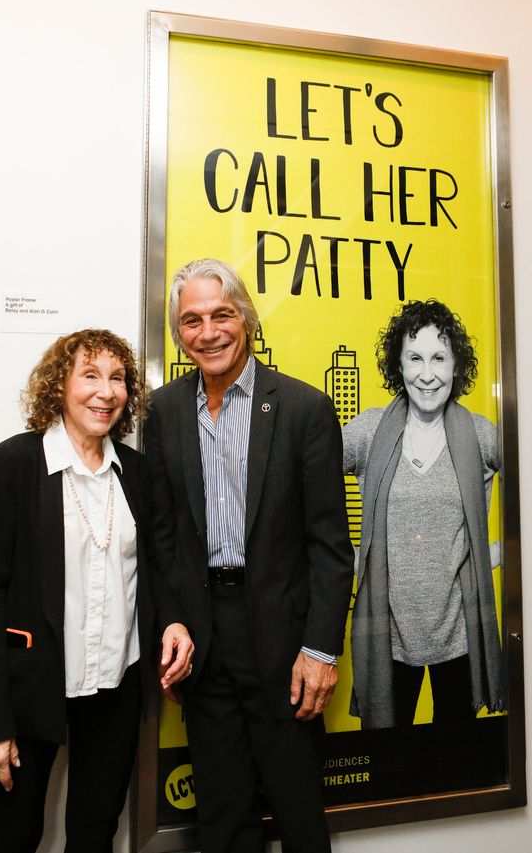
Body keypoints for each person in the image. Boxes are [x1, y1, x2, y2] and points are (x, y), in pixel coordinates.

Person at [144, 258, 354, 853]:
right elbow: (162, 537)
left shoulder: (303, 409)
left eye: (221, 315)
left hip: (285, 642)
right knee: (223, 816)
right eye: (191, 320)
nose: (207, 332)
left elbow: (330, 545)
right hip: (203, 642)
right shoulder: (162, 413)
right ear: (178, 333)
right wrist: (173, 622)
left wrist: (319, 649)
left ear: (248, 320)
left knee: (298, 813)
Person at [0, 328, 193, 853]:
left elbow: (156, 565)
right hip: (32, 686)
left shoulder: (136, 471)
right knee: (14, 836)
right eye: (89, 375)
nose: (105, 392)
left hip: (116, 686)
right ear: (58, 387)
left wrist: (174, 621)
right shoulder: (14, 465)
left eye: (117, 379)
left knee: (95, 833)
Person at [343, 299, 504, 729]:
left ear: (456, 366)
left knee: (455, 768)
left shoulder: (480, 435)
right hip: (387, 636)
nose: (427, 374)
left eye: (439, 358)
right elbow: (304, 476)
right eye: (415, 358)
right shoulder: (369, 430)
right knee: (388, 770)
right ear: (398, 365)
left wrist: (498, 552)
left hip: (459, 636)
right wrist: (345, 555)